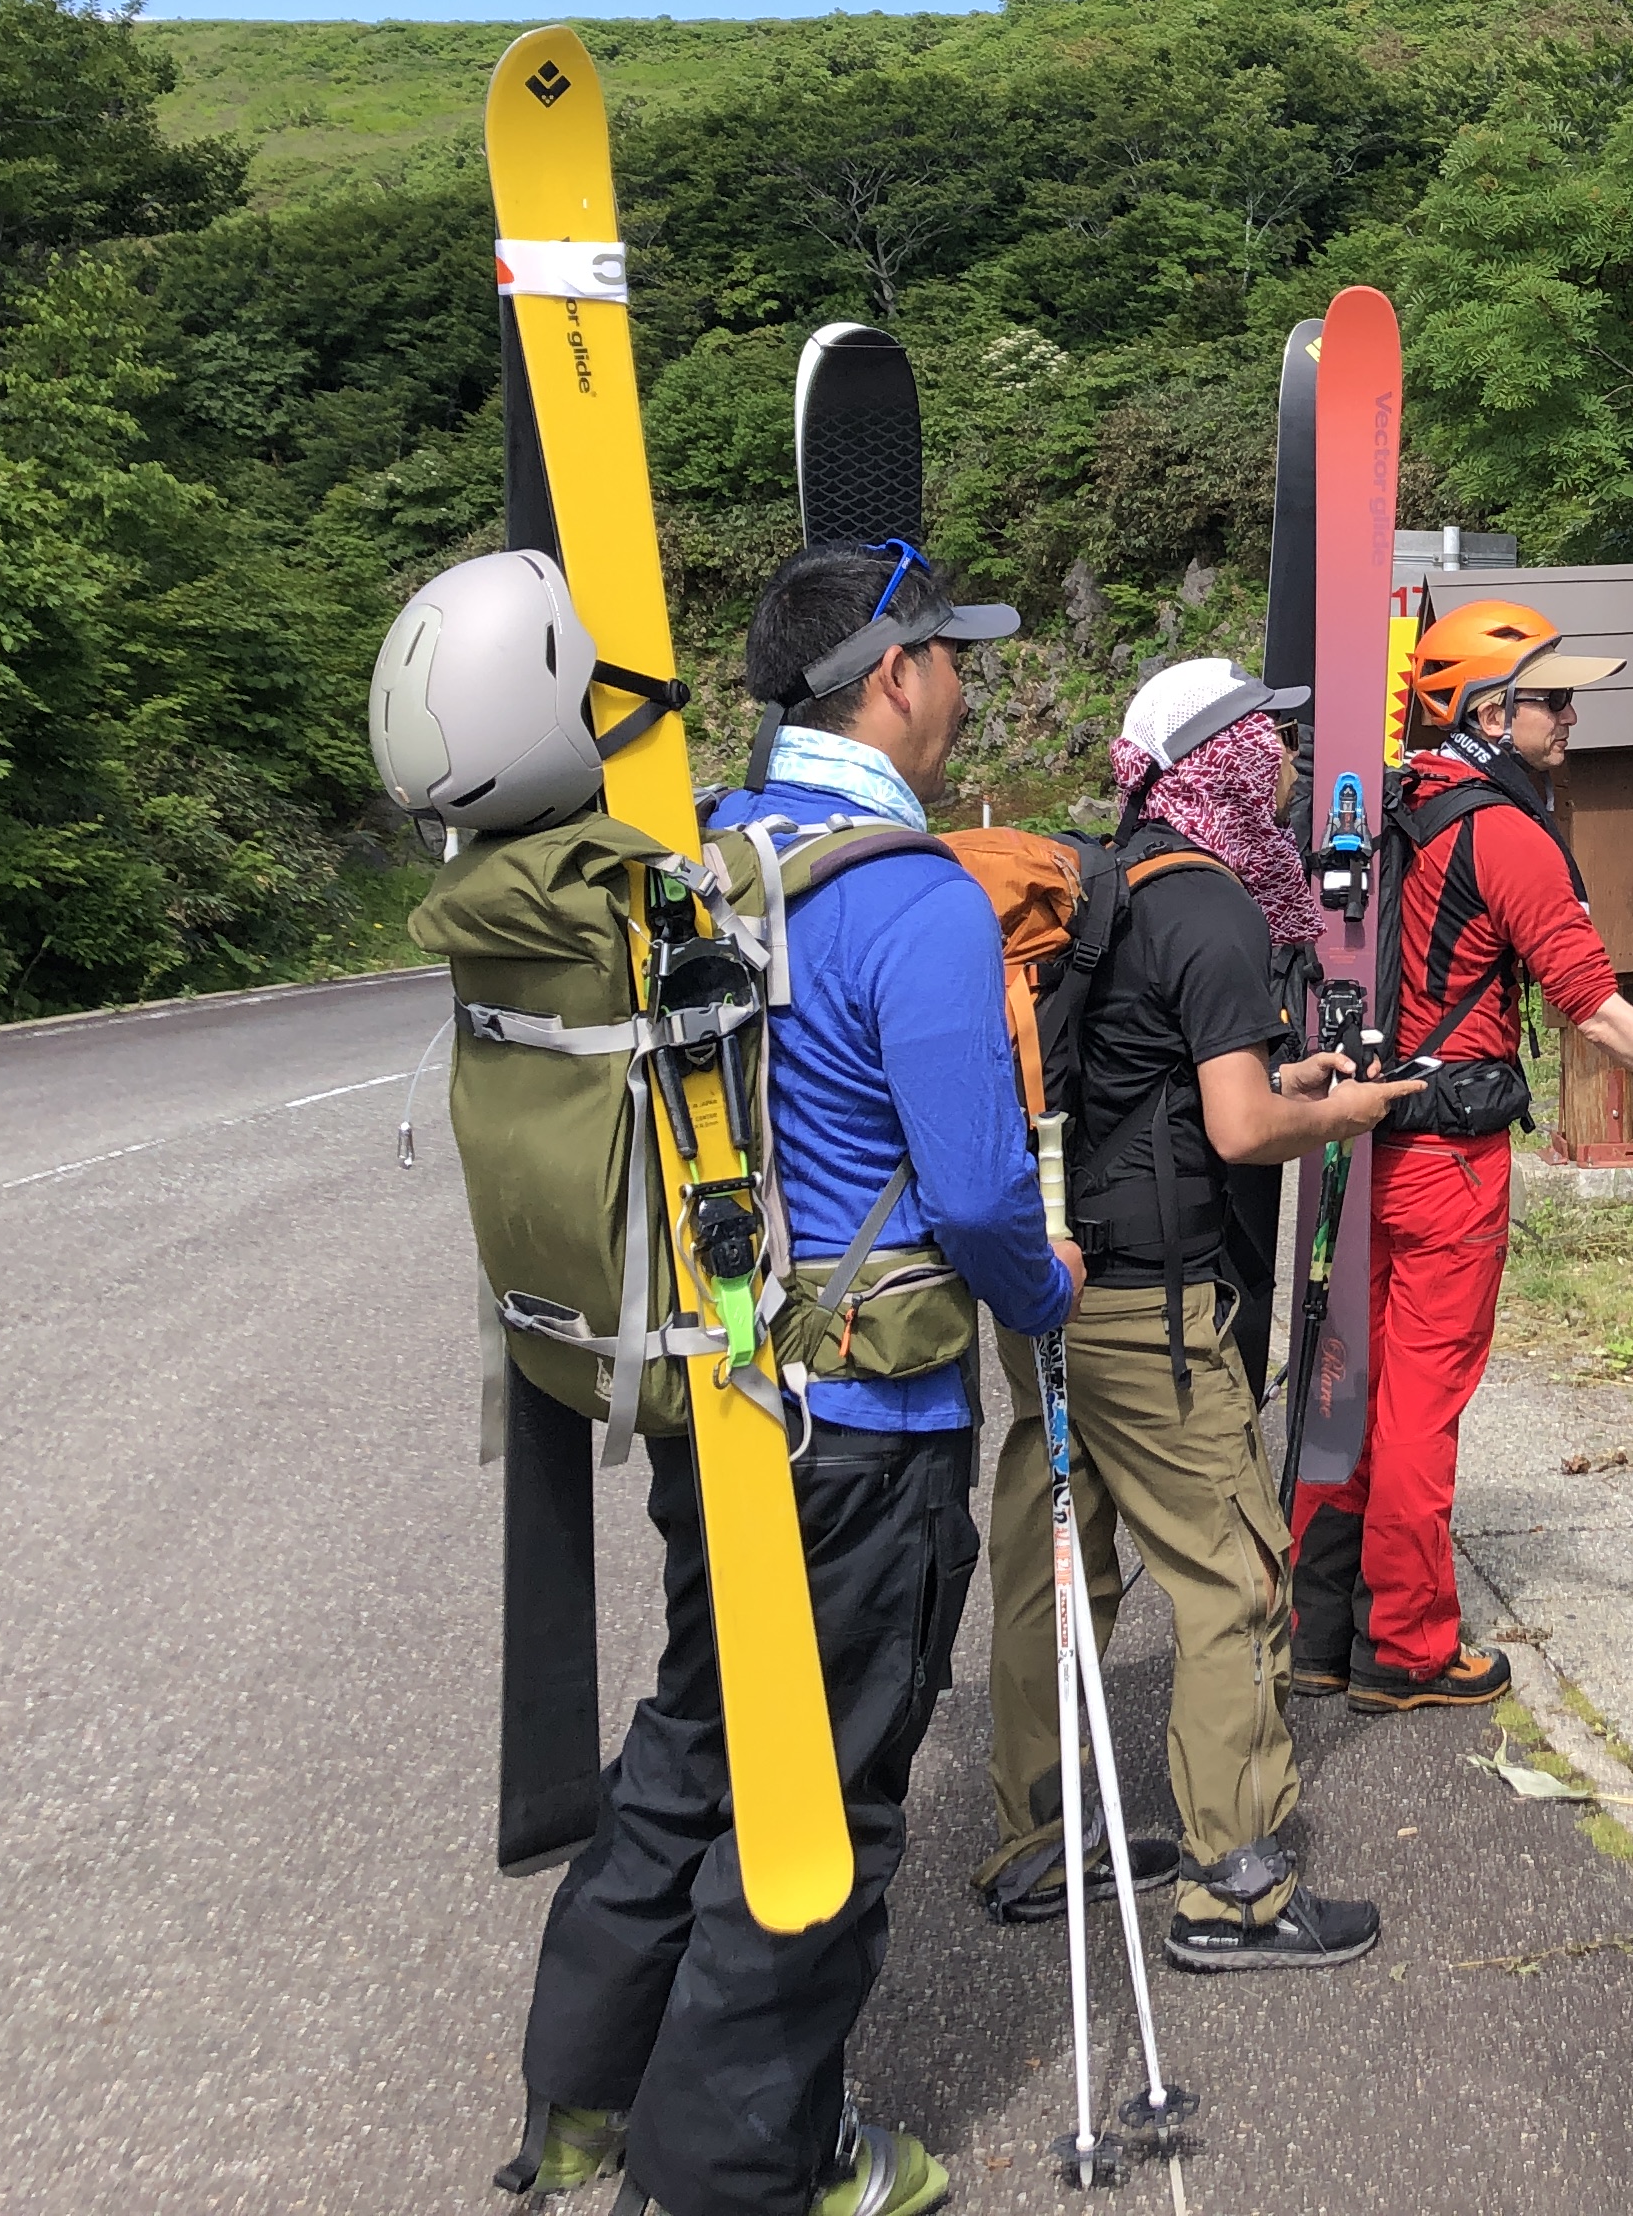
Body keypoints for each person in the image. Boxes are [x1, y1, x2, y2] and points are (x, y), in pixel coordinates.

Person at [503, 540, 1069, 2216]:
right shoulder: (914, 896)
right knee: (815, 1802)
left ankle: (583, 2103)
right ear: (893, 676)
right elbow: (979, 1194)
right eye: (952, 656)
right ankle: (747, 2168)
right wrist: (1048, 1283)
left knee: (699, 1735)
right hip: (866, 1432)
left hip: (725, 1399)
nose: (964, 685)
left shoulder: (708, 858)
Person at [975, 656, 1424, 1969]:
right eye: (1266, 742)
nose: (1284, 763)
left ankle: (1040, 1841)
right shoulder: (1217, 905)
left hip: (1055, 1282)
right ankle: (1236, 1889)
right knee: (1234, 1577)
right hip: (1153, 1313)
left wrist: (1285, 1077)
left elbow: (1147, 1079)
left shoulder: (1104, 889)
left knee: (1057, 1571)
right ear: (1221, 762)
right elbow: (1235, 1129)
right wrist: (1339, 1111)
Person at [1291, 599, 1633, 1714]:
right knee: (1420, 1402)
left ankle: (1318, 1633)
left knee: (1353, 1385)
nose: (1572, 717)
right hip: (1449, 1165)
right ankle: (1407, 1649)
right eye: (1553, 699)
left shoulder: (1385, 810)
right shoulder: (1507, 836)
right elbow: (1597, 1009)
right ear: (1489, 712)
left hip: (1362, 1145)